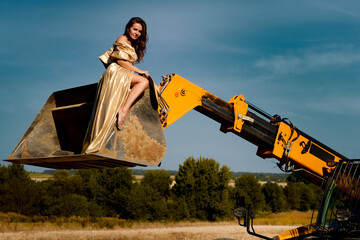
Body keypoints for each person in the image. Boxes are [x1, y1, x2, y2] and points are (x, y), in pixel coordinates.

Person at [82, 17, 150, 154]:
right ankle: (124, 110)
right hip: (117, 72)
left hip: (121, 73)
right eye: (135, 29)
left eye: (140, 31)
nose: (137, 33)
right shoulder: (122, 39)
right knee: (144, 81)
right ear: (128, 28)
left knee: (145, 84)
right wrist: (140, 71)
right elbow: (120, 61)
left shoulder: (131, 44)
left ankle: (123, 110)